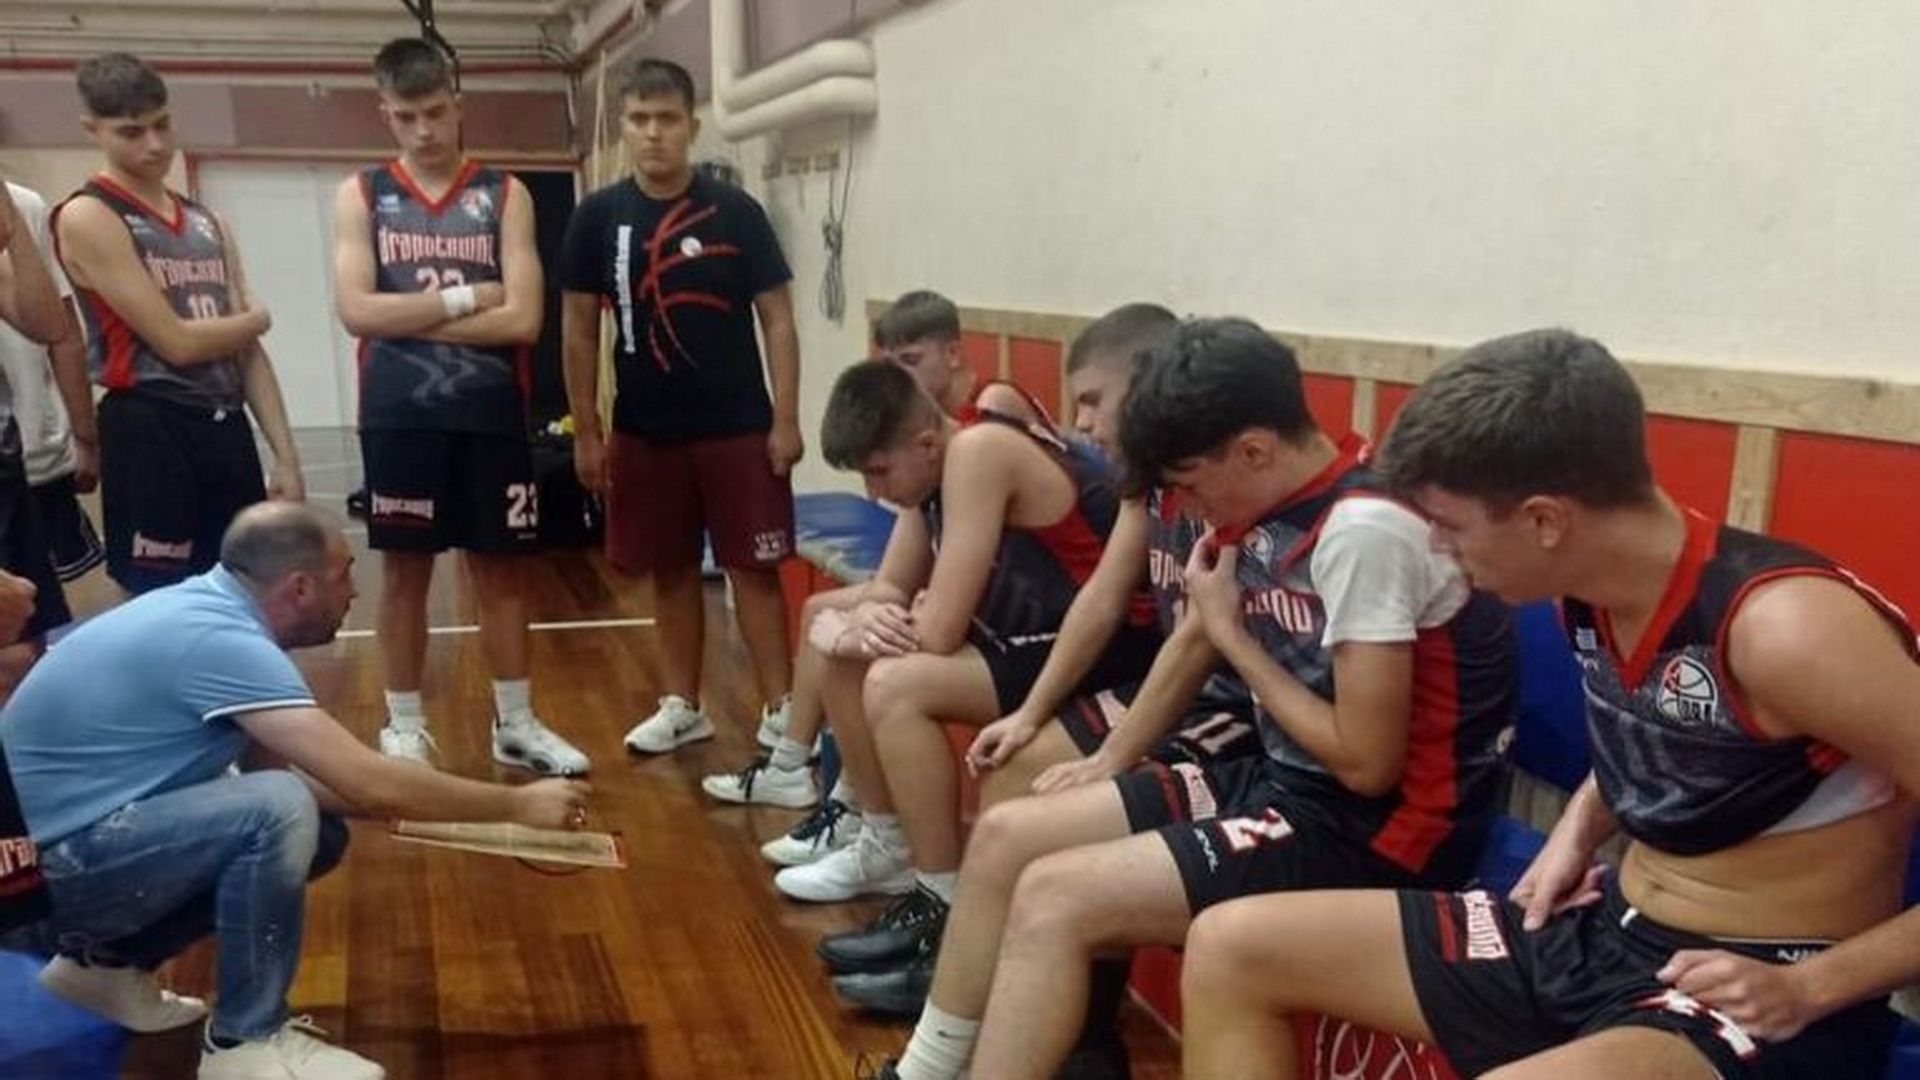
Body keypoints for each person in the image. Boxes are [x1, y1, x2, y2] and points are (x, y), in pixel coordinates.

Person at [1177, 329, 1920, 1080]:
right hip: (1608, 932)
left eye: (1449, 528)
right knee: (1231, 945)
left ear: (1544, 521)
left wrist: (1808, 987)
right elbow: (1676, 738)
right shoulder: (1590, 590)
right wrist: (1575, 830)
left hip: (1757, 988)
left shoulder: (1786, 629)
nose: (1438, 550)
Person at [869, 318, 1516, 1080]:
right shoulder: (1256, 503)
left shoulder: (1361, 532)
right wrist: (1112, 757)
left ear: (1254, 451)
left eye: (1188, 485)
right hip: (1287, 783)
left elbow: (1365, 763)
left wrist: (1234, 636)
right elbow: (1194, 638)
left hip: (1380, 835)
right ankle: (928, 1067)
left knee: (1055, 894)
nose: (1185, 507)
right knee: (1010, 835)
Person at [1, 502, 591, 1080]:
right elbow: (360, 782)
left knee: (310, 826)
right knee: (277, 811)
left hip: (44, 867)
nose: (354, 591)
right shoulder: (223, 640)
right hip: (32, 886)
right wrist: (517, 805)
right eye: (345, 574)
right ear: (301, 588)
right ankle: (245, 1041)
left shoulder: (210, 613)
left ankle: (102, 969)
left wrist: (424, 808)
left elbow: (298, 779)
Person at [827, 302, 1264, 1024]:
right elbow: (1101, 597)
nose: (1080, 423)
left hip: (1186, 689)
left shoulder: (1221, 485)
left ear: (1149, 384)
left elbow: (1186, 639)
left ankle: (1003, 984)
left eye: (1092, 400)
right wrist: (1030, 714)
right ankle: (965, 954)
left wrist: (1110, 754)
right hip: (1143, 666)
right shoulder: (1145, 481)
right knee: (1008, 761)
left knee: (979, 751)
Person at [695, 288, 1048, 827]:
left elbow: (967, 580)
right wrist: (874, 612)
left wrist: (902, 613)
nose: (900, 378)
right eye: (892, 364)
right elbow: (900, 574)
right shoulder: (931, 442)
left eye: (911, 361)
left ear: (953, 353)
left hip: (1024, 610)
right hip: (981, 584)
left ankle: (865, 811)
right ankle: (797, 768)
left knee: (865, 655)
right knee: (825, 614)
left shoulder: (988, 417)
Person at [332, 38, 588, 777]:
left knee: (503, 572)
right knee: (405, 572)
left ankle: (516, 723)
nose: (424, 130)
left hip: (491, 412)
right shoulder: (362, 194)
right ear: (385, 113)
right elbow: (356, 312)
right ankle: (404, 726)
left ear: (458, 105)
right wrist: (466, 297)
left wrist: (406, 317)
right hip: (399, 414)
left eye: (436, 112)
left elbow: (523, 320)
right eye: (407, 116)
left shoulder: (505, 194)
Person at [560, 57, 802, 758]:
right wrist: (587, 430)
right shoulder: (597, 217)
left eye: (666, 119)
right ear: (623, 128)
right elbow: (579, 330)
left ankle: (783, 711)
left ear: (692, 127)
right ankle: (681, 705)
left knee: (754, 570)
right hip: (645, 432)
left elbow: (778, 319)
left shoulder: (737, 212)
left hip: (739, 428)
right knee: (669, 570)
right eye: (639, 119)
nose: (652, 133)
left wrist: (786, 417)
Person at [53, 52, 304, 596]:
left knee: (246, 588)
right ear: (93, 130)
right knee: (158, 597)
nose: (155, 145)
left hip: (225, 423)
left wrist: (285, 456)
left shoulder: (207, 221)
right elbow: (178, 342)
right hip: (151, 425)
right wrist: (257, 318)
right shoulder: (89, 215)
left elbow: (248, 354)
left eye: (162, 124)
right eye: (131, 132)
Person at [0, 180, 105, 590]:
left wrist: (14, 226)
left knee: (35, 615)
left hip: (20, 454)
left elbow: (51, 327)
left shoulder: (20, 203)